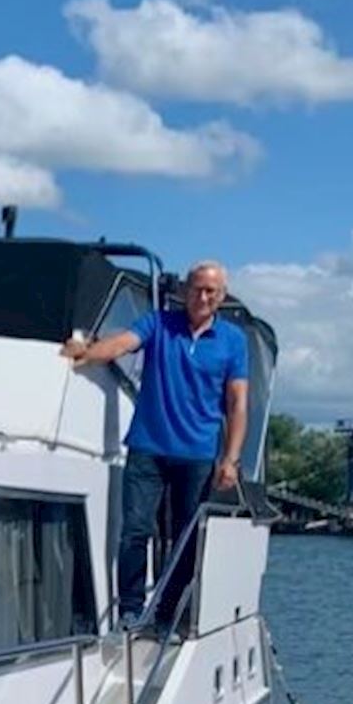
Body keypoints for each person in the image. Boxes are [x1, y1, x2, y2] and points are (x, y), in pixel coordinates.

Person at [61, 261, 249, 627]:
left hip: (198, 453)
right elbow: (122, 344)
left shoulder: (233, 340)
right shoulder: (159, 323)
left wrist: (231, 459)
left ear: (222, 296)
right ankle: (130, 609)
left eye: (211, 291)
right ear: (185, 291)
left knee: (185, 537)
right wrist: (85, 351)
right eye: (197, 289)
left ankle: (168, 612)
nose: (203, 297)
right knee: (135, 530)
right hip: (148, 447)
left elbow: (238, 402)